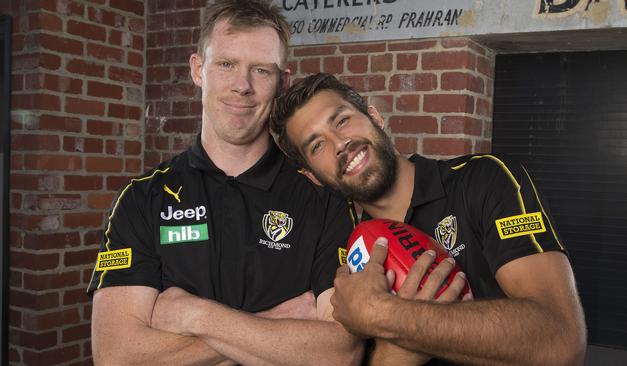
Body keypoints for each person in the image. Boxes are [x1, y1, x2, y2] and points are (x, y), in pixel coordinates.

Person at [87, 2, 369, 365]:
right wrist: (276, 324)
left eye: (261, 70)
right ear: (198, 70)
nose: (242, 86)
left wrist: (194, 315)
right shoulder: (140, 201)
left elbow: (340, 354)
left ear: (282, 82)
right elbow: (118, 357)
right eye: (226, 64)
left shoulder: (325, 199)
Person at [269, 73, 587, 365]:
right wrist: (404, 340)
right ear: (313, 176)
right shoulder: (336, 239)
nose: (340, 144)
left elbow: (560, 340)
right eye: (317, 145)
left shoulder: (484, 180)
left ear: (375, 117)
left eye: (341, 120)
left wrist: (384, 314)